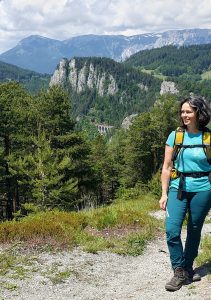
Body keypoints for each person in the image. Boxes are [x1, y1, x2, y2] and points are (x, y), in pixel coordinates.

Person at [159, 95, 211, 292]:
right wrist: (164, 194)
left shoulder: (208, 137)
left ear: (199, 112)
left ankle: (187, 268)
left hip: (204, 189)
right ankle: (178, 269)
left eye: (189, 111)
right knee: (172, 229)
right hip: (177, 187)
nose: (184, 115)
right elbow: (166, 167)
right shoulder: (175, 136)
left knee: (195, 229)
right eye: (182, 112)